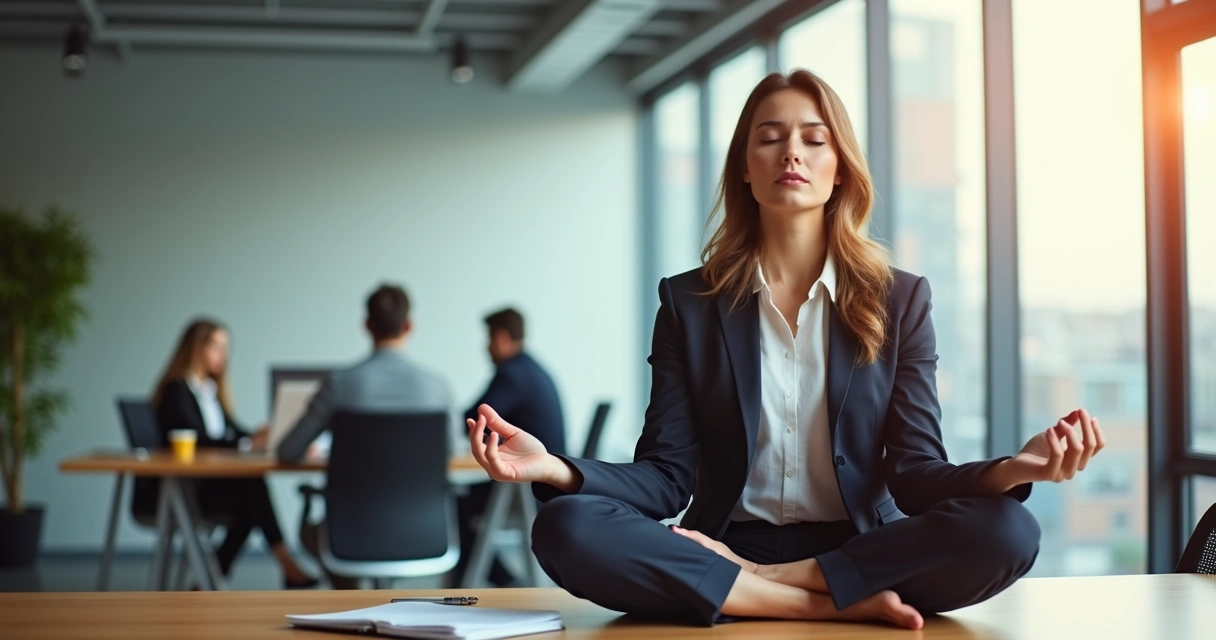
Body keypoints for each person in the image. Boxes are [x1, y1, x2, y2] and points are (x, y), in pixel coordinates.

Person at [464, 69, 1107, 629]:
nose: (790, 152)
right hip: (719, 543)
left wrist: (1018, 468)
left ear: (839, 168)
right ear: (745, 168)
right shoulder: (689, 304)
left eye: (812, 139)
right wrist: (551, 469)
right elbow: (665, 480)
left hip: (854, 549)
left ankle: (781, 585)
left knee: (1009, 530)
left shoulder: (899, 299)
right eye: (769, 138)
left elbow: (915, 475)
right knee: (565, 526)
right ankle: (813, 604)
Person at [276, 283, 457, 589]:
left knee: (313, 532)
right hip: (424, 531)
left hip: (351, 533)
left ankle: (350, 599)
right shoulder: (439, 388)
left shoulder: (339, 384)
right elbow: (450, 452)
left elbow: (287, 451)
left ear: (366, 325)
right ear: (409, 326)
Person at [152, 318, 318, 589]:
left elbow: (231, 431)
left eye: (226, 347)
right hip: (188, 487)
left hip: (211, 485)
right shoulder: (177, 391)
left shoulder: (210, 391)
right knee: (253, 492)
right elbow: (199, 440)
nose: (223, 355)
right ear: (196, 348)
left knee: (251, 502)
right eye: (216, 346)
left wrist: (261, 437)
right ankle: (286, 566)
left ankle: (211, 580)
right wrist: (246, 445)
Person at [453, 308, 565, 587]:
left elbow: (474, 417)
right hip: (547, 483)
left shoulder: (512, 374)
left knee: (454, 504)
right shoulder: (531, 368)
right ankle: (502, 579)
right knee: (462, 502)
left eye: (489, 338)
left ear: (501, 337)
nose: (486, 347)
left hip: (531, 490)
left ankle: (475, 584)